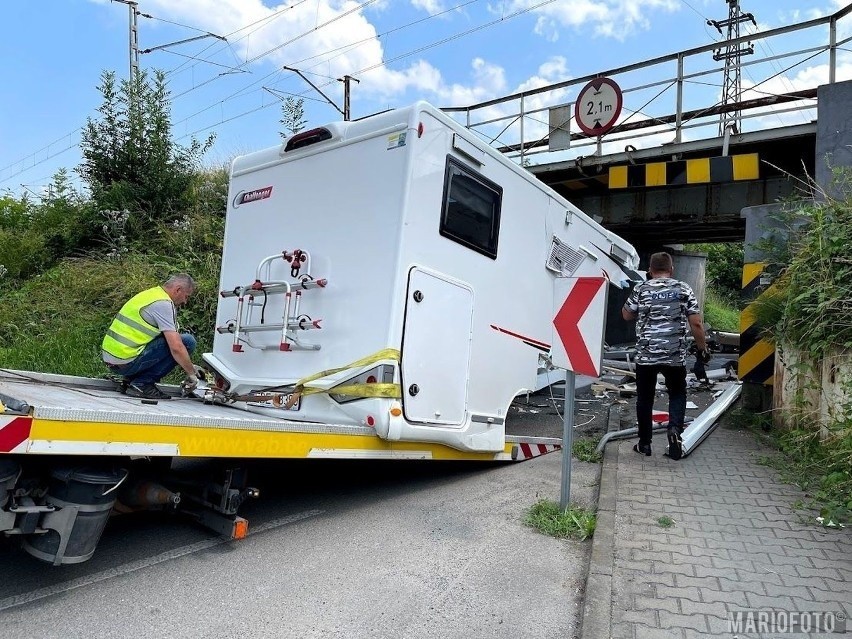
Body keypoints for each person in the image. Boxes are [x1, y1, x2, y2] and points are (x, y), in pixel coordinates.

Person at [621, 252, 710, 460]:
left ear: (650, 271)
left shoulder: (641, 288)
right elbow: (696, 323)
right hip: (674, 355)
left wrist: (644, 309)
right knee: (678, 393)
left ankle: (644, 444)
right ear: (671, 269)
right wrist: (702, 349)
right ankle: (674, 432)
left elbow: (626, 314)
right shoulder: (683, 288)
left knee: (644, 398)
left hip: (646, 355)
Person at [102, 273, 201, 400]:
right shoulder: (164, 304)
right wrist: (191, 374)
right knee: (187, 341)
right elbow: (176, 347)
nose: (185, 301)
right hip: (126, 361)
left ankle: (130, 381)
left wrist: (190, 365)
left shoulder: (151, 294)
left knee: (169, 339)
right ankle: (142, 384)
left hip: (113, 359)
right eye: (186, 296)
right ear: (178, 290)